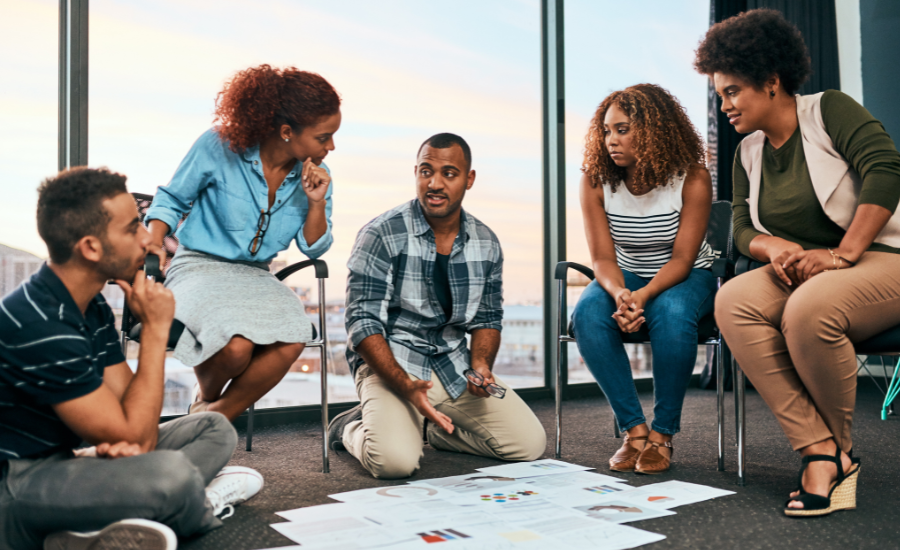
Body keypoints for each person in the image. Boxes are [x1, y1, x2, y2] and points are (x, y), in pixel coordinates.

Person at [0, 168, 262, 550]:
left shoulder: (90, 305)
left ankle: (111, 519)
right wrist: (155, 333)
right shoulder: (39, 323)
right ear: (90, 246)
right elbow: (135, 438)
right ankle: (200, 505)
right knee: (171, 475)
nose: (148, 238)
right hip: (12, 491)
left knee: (213, 428)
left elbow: (133, 418)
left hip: (60, 462)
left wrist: (120, 444)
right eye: (132, 227)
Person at [695, 9, 900, 516]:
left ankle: (836, 456)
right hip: (809, 267)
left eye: (733, 91)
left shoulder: (829, 109)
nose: (725, 106)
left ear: (771, 82)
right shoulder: (747, 152)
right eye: (720, 95)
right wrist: (775, 249)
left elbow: (886, 168)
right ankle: (820, 449)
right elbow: (742, 227)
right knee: (734, 299)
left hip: (882, 257)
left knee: (808, 310)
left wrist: (843, 252)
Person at [328, 133, 546, 479]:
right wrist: (404, 385)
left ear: (469, 179)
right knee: (395, 463)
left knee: (528, 445)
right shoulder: (382, 233)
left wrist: (481, 367)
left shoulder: (486, 242)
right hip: (393, 363)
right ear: (415, 172)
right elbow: (362, 322)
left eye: (449, 173)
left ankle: (430, 430)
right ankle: (350, 430)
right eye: (426, 171)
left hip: (451, 362)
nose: (435, 183)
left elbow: (488, 317)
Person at [144, 64, 341, 420]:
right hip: (199, 266)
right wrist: (155, 240)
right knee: (236, 348)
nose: (331, 146)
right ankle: (206, 404)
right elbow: (172, 199)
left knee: (294, 334)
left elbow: (313, 248)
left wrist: (315, 202)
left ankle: (208, 417)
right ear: (286, 131)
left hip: (256, 276)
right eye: (323, 137)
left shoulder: (315, 176)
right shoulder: (218, 145)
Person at [571, 84, 715, 475]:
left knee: (671, 315)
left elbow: (684, 259)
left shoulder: (693, 178)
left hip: (686, 273)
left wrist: (644, 296)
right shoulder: (594, 181)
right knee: (586, 314)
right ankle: (634, 431)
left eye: (622, 129)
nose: (610, 141)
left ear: (654, 130)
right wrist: (620, 293)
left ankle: (663, 434)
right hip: (626, 273)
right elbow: (601, 257)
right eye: (606, 131)